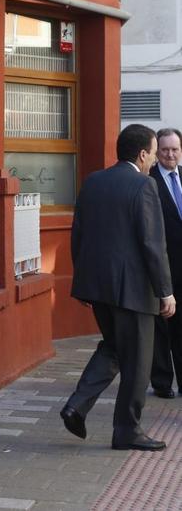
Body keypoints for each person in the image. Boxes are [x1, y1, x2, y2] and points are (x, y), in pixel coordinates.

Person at [61, 124, 175, 452]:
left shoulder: (93, 181)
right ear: (142, 154)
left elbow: (77, 234)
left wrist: (84, 282)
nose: (154, 161)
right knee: (138, 360)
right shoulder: (144, 185)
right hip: (134, 292)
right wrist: (165, 291)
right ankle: (127, 430)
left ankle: (76, 405)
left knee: (113, 348)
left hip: (98, 287)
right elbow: (153, 244)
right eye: (153, 154)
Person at [148, 128, 182, 399]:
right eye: (165, 150)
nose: (170, 154)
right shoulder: (148, 181)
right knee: (162, 327)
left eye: (175, 149)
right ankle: (161, 382)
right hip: (160, 266)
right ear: (156, 152)